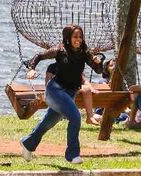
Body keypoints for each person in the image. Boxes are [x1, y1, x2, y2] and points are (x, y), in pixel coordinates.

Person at [21, 25, 104, 164]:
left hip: (70, 92)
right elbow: (39, 56)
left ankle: (28, 143)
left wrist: (98, 62)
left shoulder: (85, 52)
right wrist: (31, 69)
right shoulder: (60, 50)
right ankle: (72, 154)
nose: (78, 40)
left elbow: (98, 70)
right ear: (68, 38)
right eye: (75, 37)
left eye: (80, 37)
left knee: (48, 122)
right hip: (55, 91)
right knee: (76, 116)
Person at [45, 61, 99, 126]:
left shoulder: (74, 66)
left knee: (87, 89)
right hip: (59, 91)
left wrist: (91, 88)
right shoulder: (52, 67)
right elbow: (47, 82)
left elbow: (84, 80)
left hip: (73, 89)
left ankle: (90, 116)